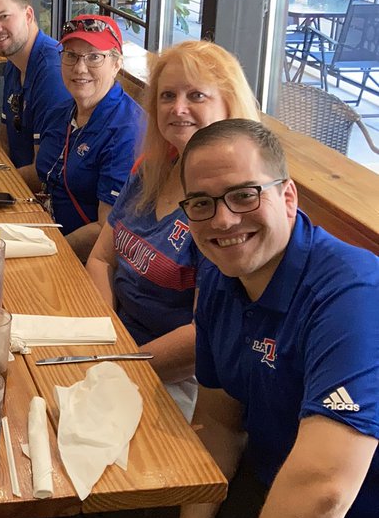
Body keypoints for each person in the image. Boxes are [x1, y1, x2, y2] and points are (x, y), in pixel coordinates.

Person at [78, 120, 379, 518]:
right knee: (114, 509)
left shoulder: (352, 293)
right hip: (273, 500)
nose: (224, 219)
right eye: (203, 204)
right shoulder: (222, 279)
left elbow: (324, 488)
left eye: (245, 195)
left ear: (288, 196)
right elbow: (217, 423)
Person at [86, 40, 259, 420]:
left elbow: (203, 340)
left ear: (229, 105)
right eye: (167, 95)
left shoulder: (230, 209)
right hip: (115, 345)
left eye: (196, 95)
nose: (178, 108)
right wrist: (104, 334)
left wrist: (120, 365)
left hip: (176, 379)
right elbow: (101, 257)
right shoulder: (153, 167)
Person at [27, 15, 143, 261]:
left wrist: (46, 255)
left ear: (116, 63)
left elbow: (106, 231)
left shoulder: (125, 131)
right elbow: (41, 175)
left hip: (79, 261)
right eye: (70, 55)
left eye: (94, 56)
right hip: (43, 232)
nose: (80, 68)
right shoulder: (61, 112)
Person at [0, 0, 68, 167]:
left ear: (29, 15)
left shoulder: (52, 73)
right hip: (16, 178)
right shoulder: (14, 63)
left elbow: (42, 172)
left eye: (4, 16)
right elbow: (5, 139)